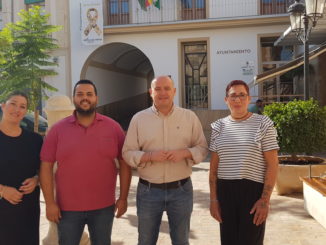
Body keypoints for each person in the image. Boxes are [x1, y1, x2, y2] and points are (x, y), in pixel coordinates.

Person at [40, 79, 131, 245]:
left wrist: (123, 198)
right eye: (80, 94)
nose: (85, 98)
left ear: (96, 98)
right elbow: (45, 167)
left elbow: (125, 163)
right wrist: (50, 203)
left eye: (89, 94)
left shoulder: (113, 127)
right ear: (74, 98)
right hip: (67, 210)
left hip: (103, 207)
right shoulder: (58, 130)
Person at [122, 75, 208, 245]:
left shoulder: (189, 117)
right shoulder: (138, 119)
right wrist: (149, 156)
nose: (163, 93)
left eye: (167, 88)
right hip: (148, 191)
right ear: (150, 92)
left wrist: (185, 153)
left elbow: (203, 147)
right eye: (158, 89)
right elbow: (127, 153)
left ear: (174, 91)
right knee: (146, 241)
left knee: (181, 240)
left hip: (181, 190)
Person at [209, 80, 279, 245]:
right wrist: (213, 200)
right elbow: (213, 170)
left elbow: (273, 165)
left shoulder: (264, 124)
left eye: (242, 95)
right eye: (233, 96)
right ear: (226, 100)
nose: (237, 100)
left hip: (253, 194)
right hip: (225, 193)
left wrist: (264, 200)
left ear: (249, 99)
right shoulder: (218, 127)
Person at [0, 91, 43, 245]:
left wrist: (37, 180)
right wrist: (3, 190)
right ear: (3, 106)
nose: (17, 109)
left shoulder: (35, 140)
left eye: (22, 106)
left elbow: (43, 170)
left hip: (28, 210)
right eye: (13, 103)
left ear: (25, 112)